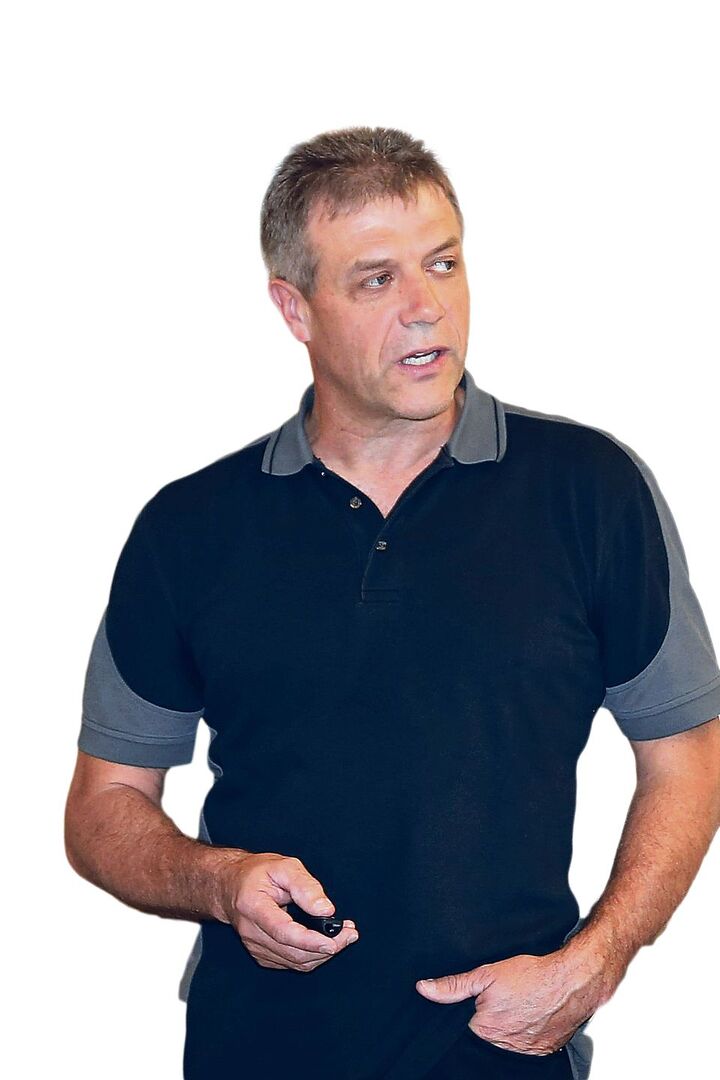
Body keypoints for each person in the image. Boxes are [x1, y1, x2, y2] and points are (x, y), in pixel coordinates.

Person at [64, 126, 720, 1080]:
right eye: (377, 279)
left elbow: (689, 753)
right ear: (295, 308)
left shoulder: (589, 492)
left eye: (443, 263)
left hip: (503, 1051)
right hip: (256, 1052)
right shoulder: (190, 528)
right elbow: (103, 805)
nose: (426, 307)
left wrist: (596, 961)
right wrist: (217, 882)